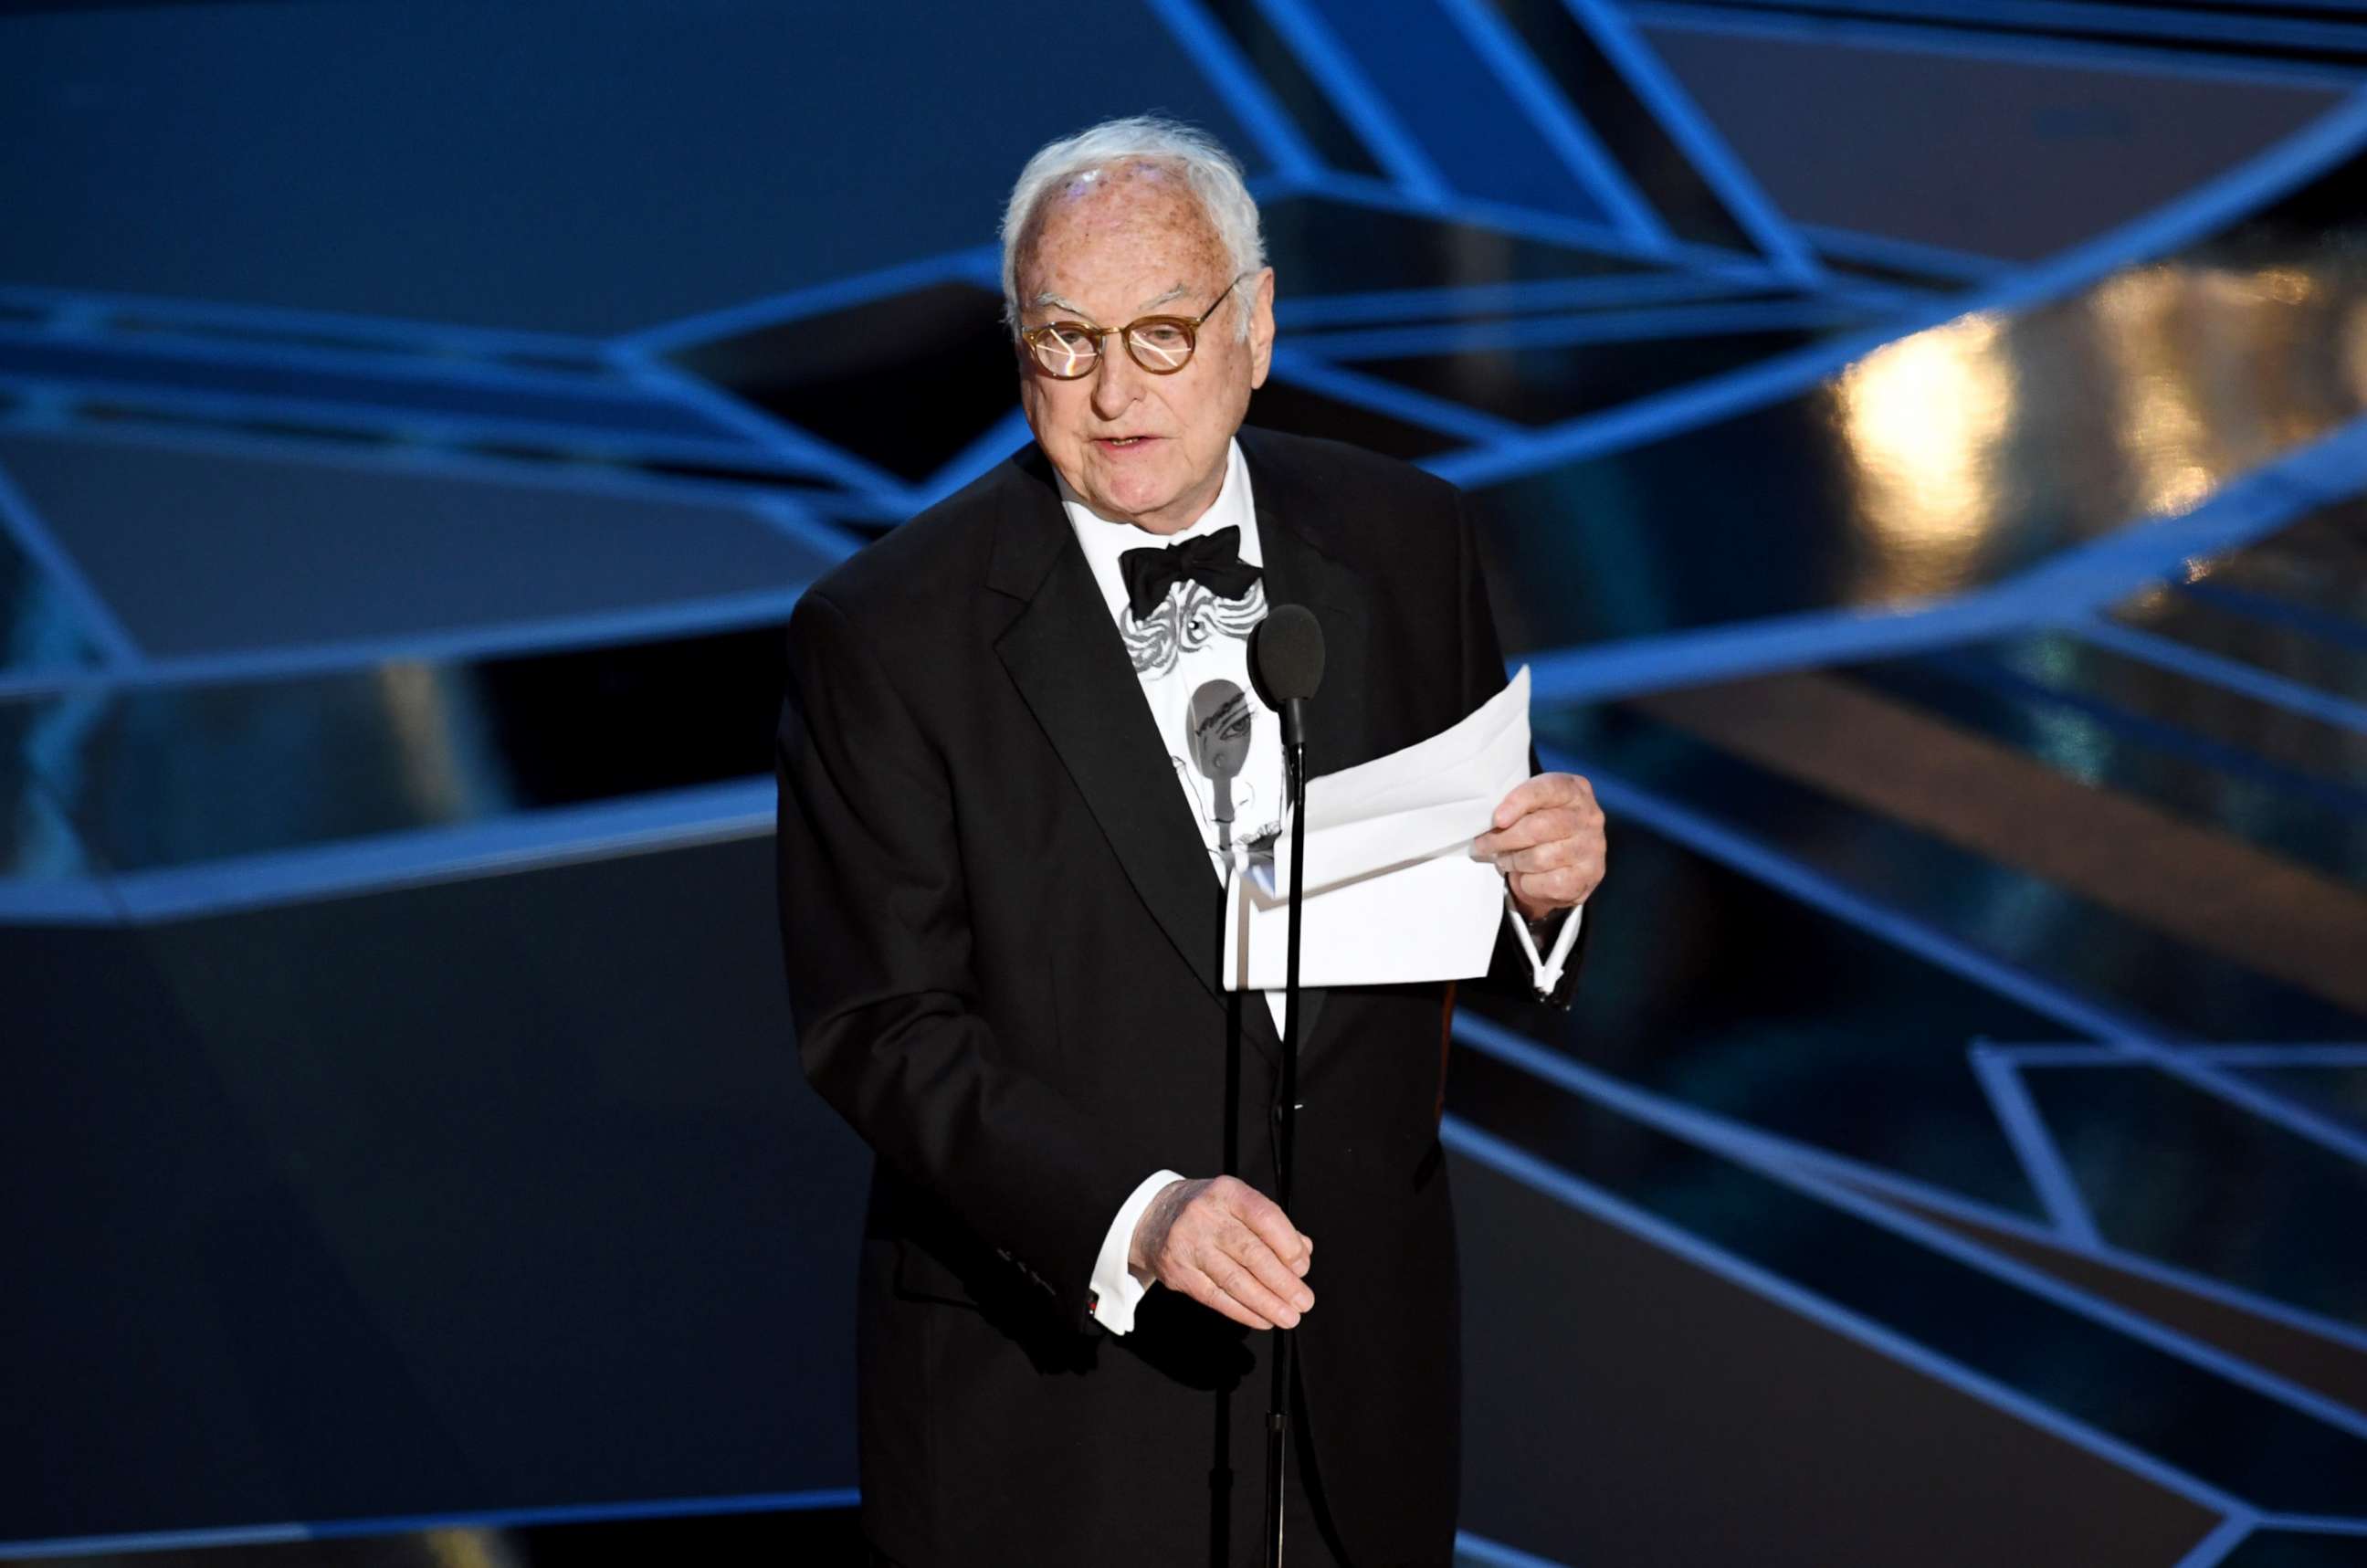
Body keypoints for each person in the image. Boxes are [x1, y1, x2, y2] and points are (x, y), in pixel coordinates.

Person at [775, 115, 1606, 1568]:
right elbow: (882, 1025)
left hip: (1362, 1389)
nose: (1111, 391)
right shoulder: (887, 633)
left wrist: (1550, 889)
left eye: (1161, 333)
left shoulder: (1407, 539)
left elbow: (1470, 881)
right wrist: (1142, 1213)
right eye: (1065, 338)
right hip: (1057, 1406)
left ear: (1257, 324)